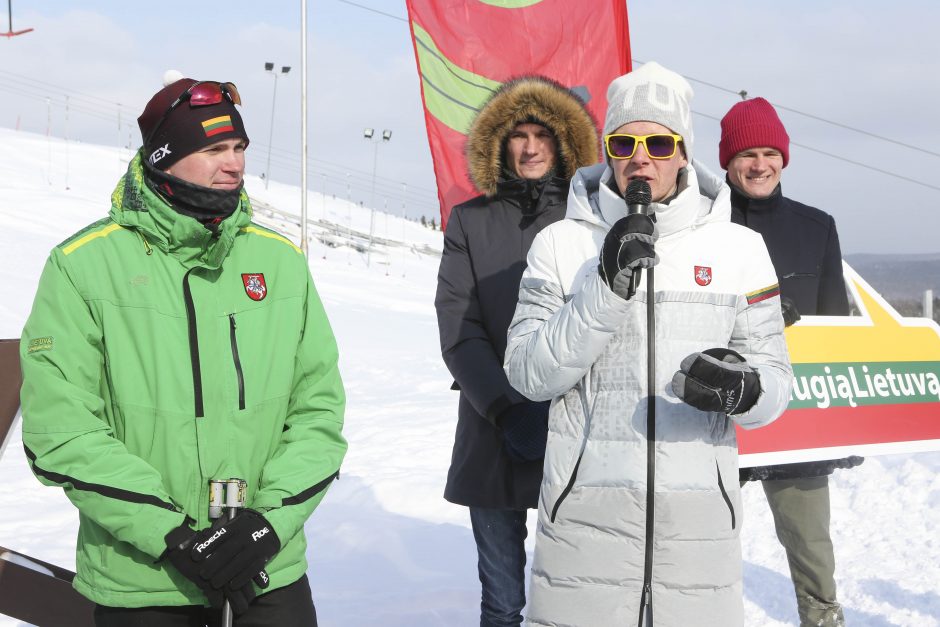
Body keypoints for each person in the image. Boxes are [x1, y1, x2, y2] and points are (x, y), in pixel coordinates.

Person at [19, 75, 347, 626]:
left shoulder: (279, 263)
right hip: (145, 576)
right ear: (165, 157)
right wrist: (171, 536)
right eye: (214, 149)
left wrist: (265, 524)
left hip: (266, 568)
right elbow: (62, 430)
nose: (235, 163)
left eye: (240, 147)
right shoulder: (82, 266)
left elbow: (318, 413)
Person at [503, 62, 794, 626]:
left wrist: (745, 390)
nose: (642, 157)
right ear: (607, 151)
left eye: (659, 142)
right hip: (583, 534)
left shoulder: (742, 249)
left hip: (698, 535)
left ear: (683, 152)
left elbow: (777, 384)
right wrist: (605, 287)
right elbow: (528, 374)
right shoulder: (559, 245)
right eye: (624, 141)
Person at [434, 75, 598, 626]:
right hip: (492, 428)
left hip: (576, 432)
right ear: (499, 143)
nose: (529, 148)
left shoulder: (592, 223)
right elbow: (460, 325)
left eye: (542, 136)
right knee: (502, 602)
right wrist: (506, 409)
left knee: (573, 596)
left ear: (563, 145)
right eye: (518, 135)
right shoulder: (471, 220)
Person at [720, 96, 863, 627]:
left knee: (811, 546)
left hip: (796, 419)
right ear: (727, 161)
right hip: (718, 410)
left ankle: (822, 618)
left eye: (769, 152)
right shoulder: (704, 225)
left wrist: (841, 429)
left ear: (783, 158)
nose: (759, 164)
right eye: (746, 154)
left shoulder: (816, 226)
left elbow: (837, 327)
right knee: (704, 543)